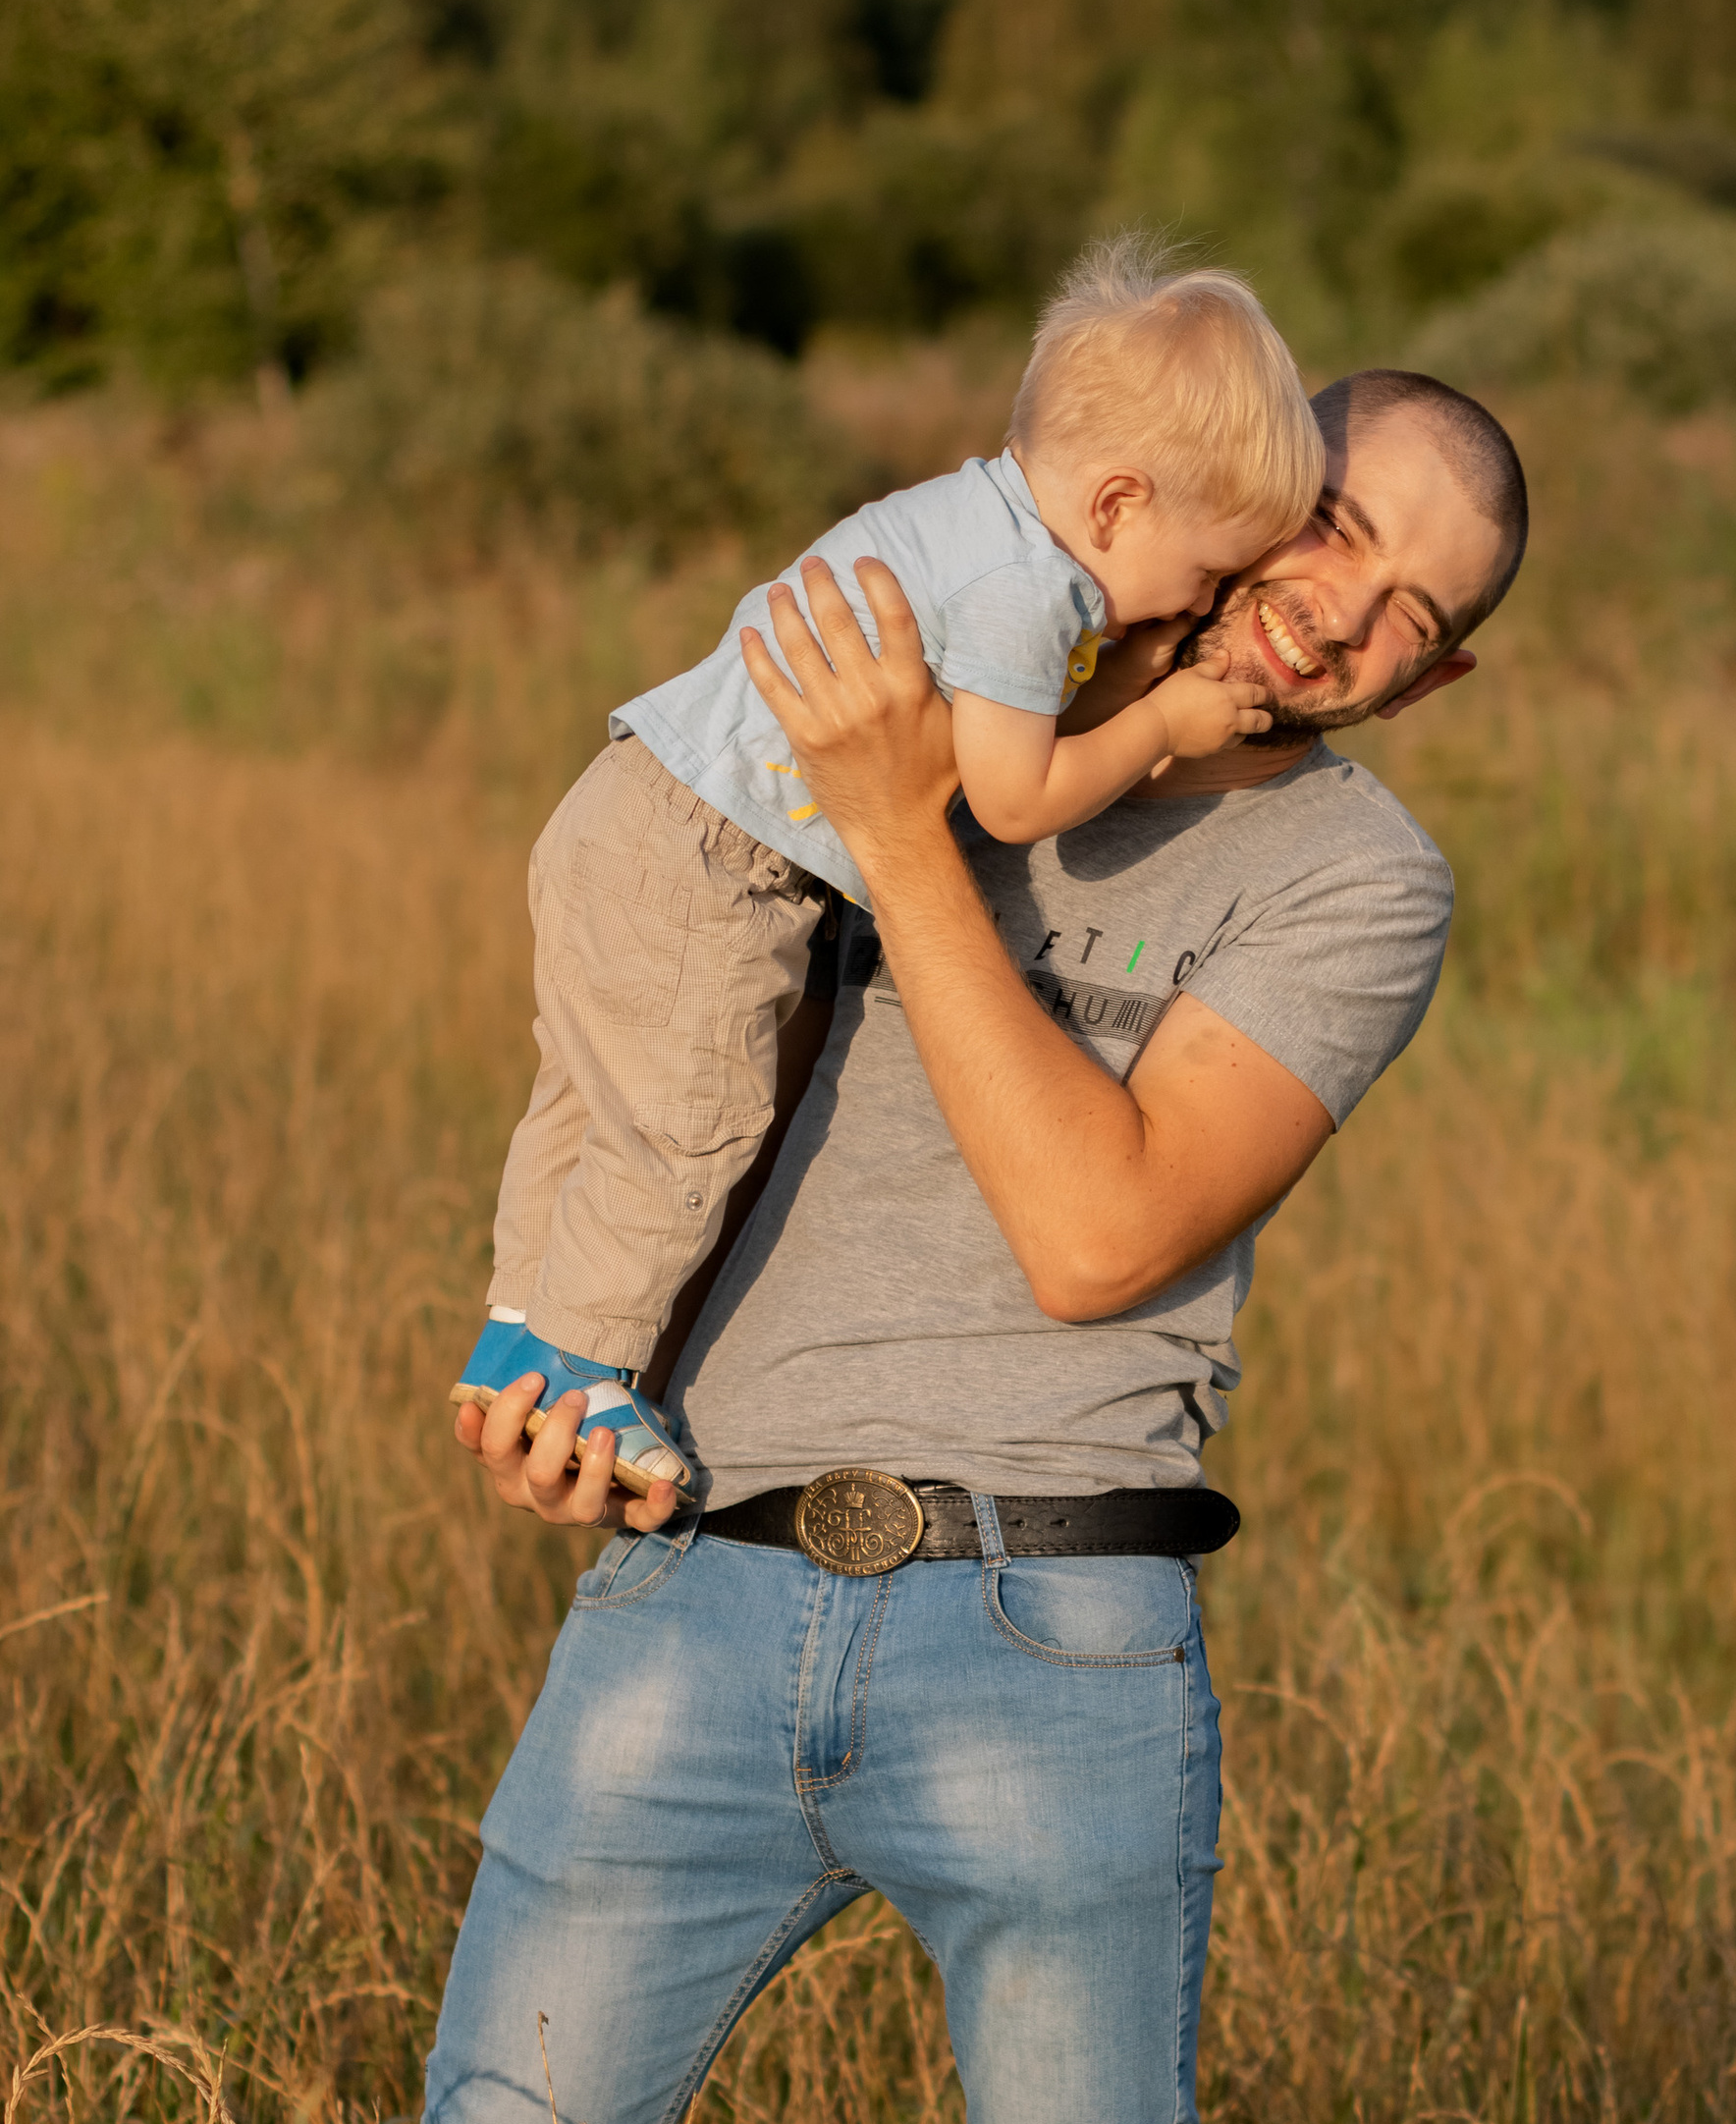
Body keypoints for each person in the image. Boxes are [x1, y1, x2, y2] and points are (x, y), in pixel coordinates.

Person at [282, 370, 1530, 2124]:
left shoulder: (1354, 887)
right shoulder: (957, 669)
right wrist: (565, 1364)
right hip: (695, 1597)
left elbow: (1098, 1235)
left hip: (1053, 1644)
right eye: (1351, 539)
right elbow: (655, 998)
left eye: (1426, 618)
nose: (1356, 618)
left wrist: (902, 843)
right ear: (1250, 480)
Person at [456, 233, 1316, 1493]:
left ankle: (517, 1348)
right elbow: (1016, 801)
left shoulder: (965, 515)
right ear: (1119, 504)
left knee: (588, 1100)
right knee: (690, 1128)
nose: (1189, 607)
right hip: (718, 858)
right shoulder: (1034, 590)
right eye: (1198, 573)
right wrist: (1165, 725)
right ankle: (589, 1370)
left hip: (626, 805)